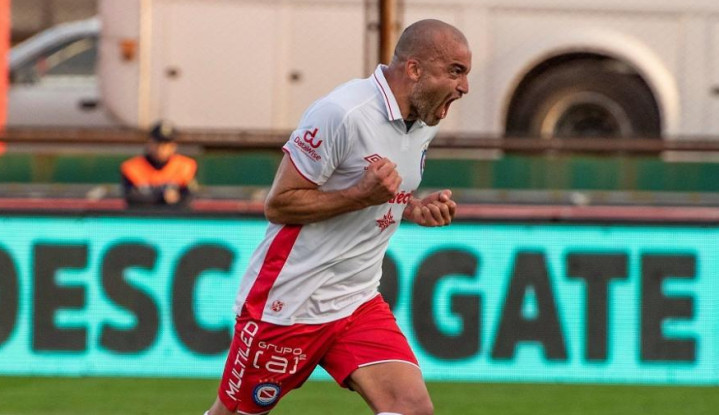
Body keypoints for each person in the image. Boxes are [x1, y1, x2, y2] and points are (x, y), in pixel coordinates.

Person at [206, 19, 471, 415]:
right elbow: (279, 204)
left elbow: (387, 190)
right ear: (414, 69)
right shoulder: (342, 112)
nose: (464, 87)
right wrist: (359, 196)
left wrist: (413, 206)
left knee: (411, 407)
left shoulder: (424, 120)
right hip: (291, 301)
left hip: (356, 300)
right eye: (455, 71)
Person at [120, 120, 198, 209]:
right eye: (157, 143)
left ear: (174, 146)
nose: (161, 148)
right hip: (142, 219)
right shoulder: (132, 167)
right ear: (149, 143)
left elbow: (188, 199)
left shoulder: (185, 166)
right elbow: (131, 198)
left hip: (176, 219)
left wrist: (151, 197)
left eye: (166, 144)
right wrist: (162, 196)